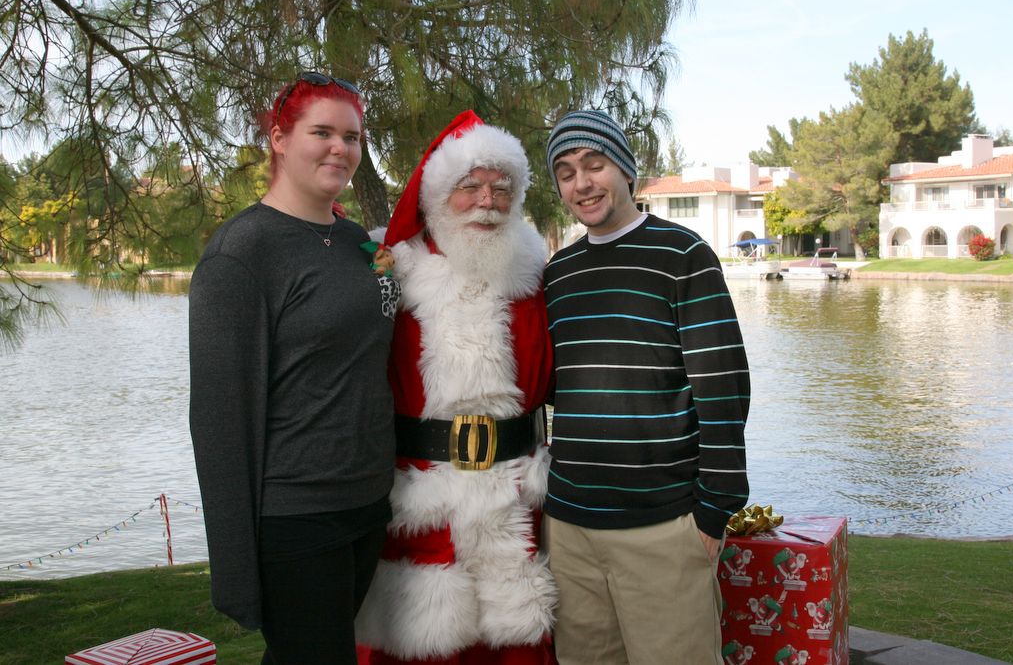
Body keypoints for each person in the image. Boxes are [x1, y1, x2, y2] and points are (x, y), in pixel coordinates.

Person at [189, 72, 400, 665]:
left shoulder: (363, 245)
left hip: (367, 501)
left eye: (353, 137)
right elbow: (217, 419)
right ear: (279, 139)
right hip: (295, 516)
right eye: (322, 132)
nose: (342, 148)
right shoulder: (242, 252)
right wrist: (234, 562)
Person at [541, 109, 751, 665]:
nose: (582, 183)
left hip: (663, 526)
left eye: (594, 164)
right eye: (565, 172)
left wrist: (713, 512)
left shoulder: (684, 257)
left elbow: (723, 388)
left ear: (626, 169)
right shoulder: (556, 276)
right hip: (569, 527)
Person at [355, 111, 557, 665]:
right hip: (423, 499)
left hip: (514, 496)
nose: (487, 201)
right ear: (440, 194)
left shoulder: (536, 272)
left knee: (516, 639)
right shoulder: (390, 269)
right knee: (422, 644)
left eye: (500, 188)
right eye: (469, 187)